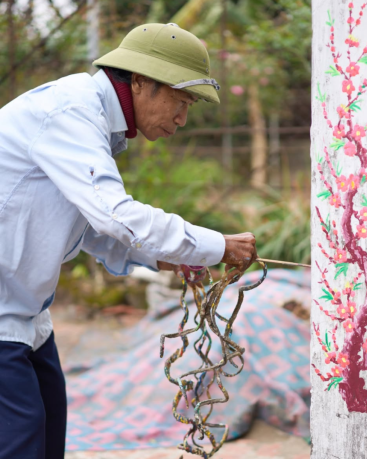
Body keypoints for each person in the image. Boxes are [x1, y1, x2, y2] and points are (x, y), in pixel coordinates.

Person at [0, 23, 257, 458]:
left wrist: (167, 260)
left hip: (27, 314)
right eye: (181, 101)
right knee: (22, 437)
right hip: (4, 311)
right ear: (140, 81)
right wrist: (216, 245)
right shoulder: (70, 112)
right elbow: (116, 215)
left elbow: (93, 229)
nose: (182, 118)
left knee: (47, 430)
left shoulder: (92, 121)